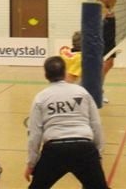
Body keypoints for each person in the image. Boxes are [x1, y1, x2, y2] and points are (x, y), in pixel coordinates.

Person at [25, 56, 109, 189]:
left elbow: (34, 134)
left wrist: (31, 163)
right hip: (84, 149)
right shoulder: (82, 92)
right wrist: (97, 155)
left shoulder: (41, 97)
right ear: (65, 73)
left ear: (46, 75)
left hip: (54, 151)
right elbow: (96, 125)